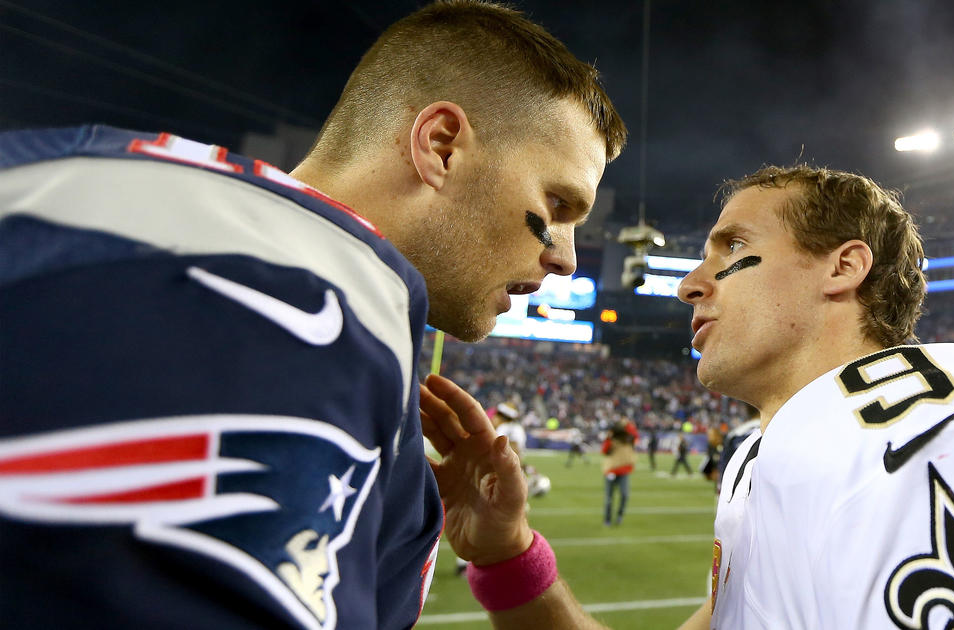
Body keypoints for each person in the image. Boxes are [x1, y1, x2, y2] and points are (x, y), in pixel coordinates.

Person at [0, 1, 626, 628]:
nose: (566, 258)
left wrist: (503, 553)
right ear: (441, 145)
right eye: (558, 203)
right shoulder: (312, 311)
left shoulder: (87, 185)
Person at [420, 163, 954, 629]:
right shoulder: (772, 452)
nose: (689, 284)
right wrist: (508, 556)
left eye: (731, 249)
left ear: (843, 266)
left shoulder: (942, 432)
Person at [600, 417, 638, 526]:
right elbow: (604, 451)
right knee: (609, 498)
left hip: (624, 471)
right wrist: (610, 437)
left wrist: (627, 423)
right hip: (611, 470)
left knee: (625, 495)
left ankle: (620, 515)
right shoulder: (612, 439)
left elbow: (635, 435)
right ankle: (607, 519)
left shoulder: (629, 439)